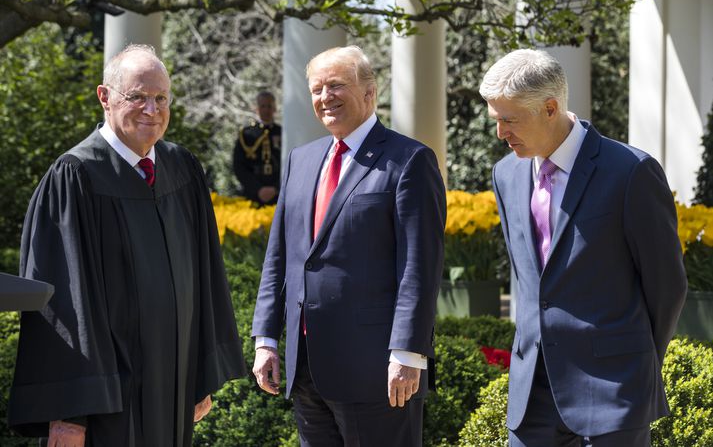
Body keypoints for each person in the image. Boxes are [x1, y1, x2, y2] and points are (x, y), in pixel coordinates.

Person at [8, 44, 246, 446]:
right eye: (136, 97)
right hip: (108, 402)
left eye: (160, 98)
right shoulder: (75, 178)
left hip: (173, 387)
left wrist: (201, 374)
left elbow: (207, 275)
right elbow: (63, 306)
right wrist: (70, 414)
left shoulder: (181, 169)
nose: (151, 109)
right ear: (105, 97)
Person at [481, 49, 687, 446]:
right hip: (532, 395)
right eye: (496, 120)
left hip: (613, 391)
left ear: (550, 108)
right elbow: (530, 283)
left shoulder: (630, 171)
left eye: (509, 120)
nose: (500, 133)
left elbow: (668, 286)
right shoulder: (505, 174)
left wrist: (633, 360)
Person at [251, 46, 446, 446]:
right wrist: (266, 339)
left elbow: (419, 268)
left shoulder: (409, 160)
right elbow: (280, 258)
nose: (326, 97)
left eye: (337, 85)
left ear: (370, 92)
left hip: (378, 371)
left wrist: (408, 354)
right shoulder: (300, 161)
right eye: (317, 89)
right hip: (306, 368)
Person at [233, 91, 282, 205]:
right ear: (256, 108)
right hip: (252, 194)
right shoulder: (246, 134)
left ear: (274, 108)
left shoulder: (282, 133)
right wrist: (257, 189)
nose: (266, 110)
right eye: (262, 106)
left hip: (278, 193)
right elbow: (238, 166)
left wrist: (276, 188)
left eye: (269, 106)